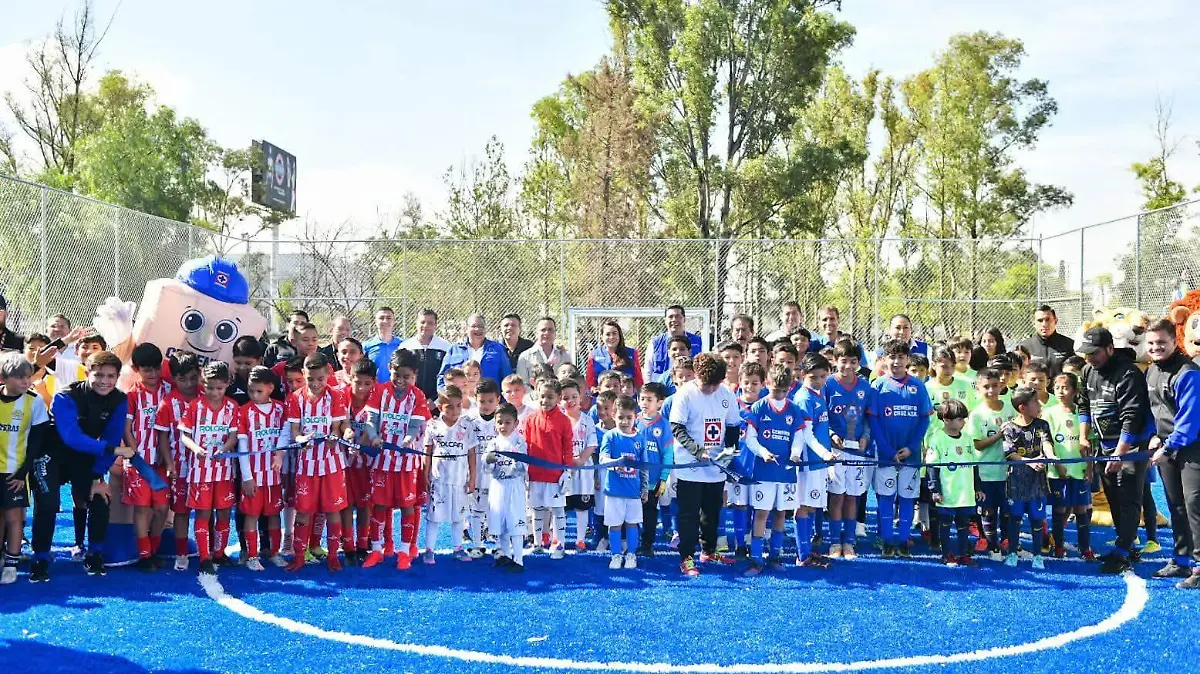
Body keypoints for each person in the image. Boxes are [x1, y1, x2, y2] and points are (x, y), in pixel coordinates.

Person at [45, 351, 135, 576]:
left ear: (117, 377)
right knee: (48, 503)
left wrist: (97, 476)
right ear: (86, 373)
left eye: (111, 376)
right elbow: (71, 437)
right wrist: (110, 450)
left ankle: (94, 553)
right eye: (99, 375)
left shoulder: (119, 399)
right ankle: (40, 556)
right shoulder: (66, 396)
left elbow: (113, 437)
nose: (105, 381)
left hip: (84, 453)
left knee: (99, 497)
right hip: (52, 455)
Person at [1077, 326, 1154, 575]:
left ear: (1110, 349)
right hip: (1104, 445)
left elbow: (1132, 416)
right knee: (1113, 498)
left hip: (1130, 447)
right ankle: (1126, 544)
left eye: (1095, 353)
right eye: (1087, 354)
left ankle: (1122, 551)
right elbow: (1084, 404)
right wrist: (1083, 436)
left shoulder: (1128, 373)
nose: (1090, 358)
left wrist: (1120, 452)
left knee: (1130, 497)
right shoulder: (1088, 371)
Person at [669, 352, 742, 576]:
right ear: (697, 375)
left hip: (716, 467)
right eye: (706, 384)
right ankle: (686, 557)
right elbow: (677, 427)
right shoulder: (685, 394)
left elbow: (732, 426)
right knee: (689, 515)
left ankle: (708, 550)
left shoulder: (727, 395)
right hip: (689, 466)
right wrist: (696, 450)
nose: (710, 389)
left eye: (714, 385)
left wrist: (728, 451)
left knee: (712, 512)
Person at [362, 349, 432, 569]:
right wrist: (373, 437)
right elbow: (371, 419)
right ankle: (376, 550)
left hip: (406, 462)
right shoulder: (379, 392)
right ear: (389, 369)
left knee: (407, 506)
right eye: (396, 374)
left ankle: (404, 551)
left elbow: (415, 425)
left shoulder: (418, 396)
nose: (401, 380)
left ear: (414, 375)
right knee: (379, 505)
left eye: (406, 376)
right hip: (382, 460)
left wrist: (409, 439)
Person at [1145, 318, 1200, 586]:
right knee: (1176, 505)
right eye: (1151, 343)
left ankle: (1199, 567)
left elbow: (1189, 423)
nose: (1156, 348)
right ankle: (1181, 560)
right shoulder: (1151, 372)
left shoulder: (1188, 373)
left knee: (1194, 504)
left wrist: (1167, 447)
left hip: (1192, 449)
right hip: (1168, 447)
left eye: (1161, 342)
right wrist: (1155, 437)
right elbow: (1156, 412)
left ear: (1174, 341)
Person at [284, 353, 349, 573]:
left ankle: (332, 556)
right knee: (303, 511)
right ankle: (300, 556)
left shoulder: (336, 396)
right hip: (307, 465)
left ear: (328, 374)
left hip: (332, 464)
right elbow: (294, 431)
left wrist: (336, 436)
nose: (316, 383)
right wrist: (301, 439)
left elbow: (338, 428)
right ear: (304, 374)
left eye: (320, 378)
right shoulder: (295, 398)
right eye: (311, 378)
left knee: (332, 510)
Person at [868, 339, 932, 559]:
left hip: (910, 455)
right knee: (885, 497)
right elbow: (874, 422)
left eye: (901, 357)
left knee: (907, 497)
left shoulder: (918, 386)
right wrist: (886, 450)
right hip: (886, 454)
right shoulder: (878, 386)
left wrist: (912, 447)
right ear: (885, 360)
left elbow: (924, 420)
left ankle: (903, 541)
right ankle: (887, 540)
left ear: (907, 360)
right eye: (892, 357)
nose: (896, 362)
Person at [742, 364, 802, 574]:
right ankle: (756, 559)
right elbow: (750, 438)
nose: (779, 394)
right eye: (775, 390)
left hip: (786, 473)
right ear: (767, 384)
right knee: (761, 513)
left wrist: (795, 453)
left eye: (783, 391)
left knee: (780, 513)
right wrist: (763, 452)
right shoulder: (759, 407)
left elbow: (798, 436)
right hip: (763, 473)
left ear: (790, 389)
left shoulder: (794, 410)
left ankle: (775, 556)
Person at [180, 361, 239, 575]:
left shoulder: (232, 406)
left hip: (224, 471)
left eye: (219, 388)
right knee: (203, 513)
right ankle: (204, 557)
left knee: (224, 512)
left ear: (227, 385)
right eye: (210, 387)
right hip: (200, 471)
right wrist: (196, 448)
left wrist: (225, 448)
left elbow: (234, 435)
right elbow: (184, 435)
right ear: (203, 384)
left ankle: (219, 553)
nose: (214, 392)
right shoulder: (195, 406)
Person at [0, 352, 49, 583]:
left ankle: (12, 562)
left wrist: (23, 471)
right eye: (20, 377)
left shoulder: (33, 401)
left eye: (28, 377)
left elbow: (38, 441)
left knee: (14, 517)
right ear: (4, 377)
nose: (25, 382)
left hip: (15, 470)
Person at [122, 343, 172, 571]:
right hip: (140, 462)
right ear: (136, 368)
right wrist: (136, 456)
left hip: (162, 462)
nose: (152, 374)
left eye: (155, 368)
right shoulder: (132, 394)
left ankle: (154, 547)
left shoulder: (169, 390)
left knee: (162, 508)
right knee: (142, 508)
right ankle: (144, 555)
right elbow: (126, 427)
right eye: (146, 370)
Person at [823, 339, 873, 559]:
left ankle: (849, 543)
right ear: (835, 361)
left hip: (857, 449)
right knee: (836, 496)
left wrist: (866, 436)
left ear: (859, 362)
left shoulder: (865, 386)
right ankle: (835, 542)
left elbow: (869, 418)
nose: (848, 366)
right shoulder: (827, 385)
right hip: (836, 450)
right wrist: (831, 435)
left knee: (852, 496)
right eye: (843, 361)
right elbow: (822, 417)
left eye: (853, 361)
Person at [155, 351, 202, 572]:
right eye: (182, 379)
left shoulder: (207, 395)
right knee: (181, 512)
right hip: (180, 467)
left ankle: (208, 552)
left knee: (206, 510)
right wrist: (170, 463)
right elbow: (163, 435)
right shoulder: (168, 402)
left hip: (207, 468)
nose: (189, 383)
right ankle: (182, 553)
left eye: (193, 377)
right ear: (173, 378)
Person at [236, 366, 287, 571]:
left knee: (274, 514)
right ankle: (252, 556)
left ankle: (274, 552)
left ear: (270, 388)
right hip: (254, 476)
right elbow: (242, 447)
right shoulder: (244, 412)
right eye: (251, 391)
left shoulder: (281, 409)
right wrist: (247, 477)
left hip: (274, 476)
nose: (254, 395)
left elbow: (286, 435)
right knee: (252, 515)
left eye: (259, 391)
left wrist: (281, 456)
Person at [1000, 387, 1057, 570]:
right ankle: (1012, 553)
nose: (1039, 404)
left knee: (1037, 518)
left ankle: (1038, 555)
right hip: (1016, 481)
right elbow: (1010, 453)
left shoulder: (1042, 425)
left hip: (1037, 482)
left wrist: (1050, 456)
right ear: (1022, 407)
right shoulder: (1009, 428)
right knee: (1015, 517)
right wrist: (1029, 462)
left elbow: (1047, 443)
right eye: (1035, 402)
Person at [793, 353, 840, 567]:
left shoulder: (818, 395)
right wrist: (824, 454)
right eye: (814, 377)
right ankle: (803, 556)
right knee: (803, 505)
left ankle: (808, 551)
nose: (819, 381)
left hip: (819, 461)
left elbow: (820, 429)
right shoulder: (804, 399)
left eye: (823, 376)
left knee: (812, 505)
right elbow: (806, 435)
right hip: (807, 462)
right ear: (803, 375)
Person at [422, 384, 478, 564]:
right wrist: (425, 475)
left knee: (458, 516)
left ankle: (458, 548)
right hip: (439, 481)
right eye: (450, 406)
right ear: (440, 407)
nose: (455, 411)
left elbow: (472, 454)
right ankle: (429, 550)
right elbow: (427, 453)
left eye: (458, 405)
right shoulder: (433, 426)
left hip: (460, 480)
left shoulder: (467, 426)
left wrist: (472, 478)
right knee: (434, 516)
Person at [1045, 372, 1095, 562]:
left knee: (1082, 509)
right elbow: (1046, 442)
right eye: (1057, 387)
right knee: (1059, 510)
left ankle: (1085, 548)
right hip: (1059, 472)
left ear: (1074, 390)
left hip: (1080, 470)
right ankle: (1058, 546)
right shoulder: (1049, 413)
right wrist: (1056, 464)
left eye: (1065, 388)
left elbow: (1090, 443)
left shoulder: (1082, 415)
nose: (1060, 391)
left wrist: (1089, 468)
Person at [524, 378, 574, 560]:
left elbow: (568, 447)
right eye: (542, 396)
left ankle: (559, 543)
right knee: (537, 510)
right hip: (535, 474)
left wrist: (567, 471)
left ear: (559, 398)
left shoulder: (564, 421)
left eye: (550, 397)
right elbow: (526, 446)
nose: (545, 400)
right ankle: (537, 543)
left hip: (555, 475)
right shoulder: (530, 419)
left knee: (557, 510)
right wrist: (525, 471)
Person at [968, 368, 1016, 559]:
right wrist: (999, 436)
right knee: (987, 509)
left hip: (1008, 471)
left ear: (1001, 386)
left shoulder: (1010, 409)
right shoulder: (977, 414)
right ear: (978, 389)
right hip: (986, 471)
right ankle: (990, 542)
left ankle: (1006, 540)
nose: (991, 390)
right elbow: (977, 445)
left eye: (995, 386)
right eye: (986, 387)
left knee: (1007, 508)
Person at [925, 399, 977, 567]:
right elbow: (932, 467)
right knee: (946, 523)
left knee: (964, 524)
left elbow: (974, 466)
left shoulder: (968, 439)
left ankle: (963, 554)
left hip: (965, 492)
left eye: (964, 418)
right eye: (960, 419)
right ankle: (946, 554)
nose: (963, 422)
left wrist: (978, 487)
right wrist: (935, 490)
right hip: (947, 491)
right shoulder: (937, 439)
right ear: (946, 420)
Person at [599, 395, 649, 570]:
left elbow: (644, 467)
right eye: (621, 417)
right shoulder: (610, 437)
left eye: (629, 417)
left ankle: (631, 555)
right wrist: (614, 465)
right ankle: (615, 555)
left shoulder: (640, 439)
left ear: (636, 417)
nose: (625, 421)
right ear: (614, 415)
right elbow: (603, 458)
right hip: (613, 491)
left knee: (632, 523)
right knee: (615, 525)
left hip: (633, 492)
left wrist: (644, 488)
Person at [341, 359, 380, 565]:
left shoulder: (377, 399)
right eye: (358, 382)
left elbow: (371, 426)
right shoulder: (341, 396)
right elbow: (339, 422)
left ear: (373, 382)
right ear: (351, 379)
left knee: (365, 504)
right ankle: (347, 545)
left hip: (366, 461)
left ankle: (362, 544)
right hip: (344, 459)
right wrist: (347, 440)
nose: (362, 388)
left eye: (367, 383)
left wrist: (360, 446)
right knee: (346, 504)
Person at [482, 403, 528, 572]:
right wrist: (489, 461)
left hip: (514, 486)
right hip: (498, 486)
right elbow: (486, 468)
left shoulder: (519, 442)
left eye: (508, 422)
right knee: (499, 523)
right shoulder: (493, 443)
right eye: (500, 422)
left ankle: (519, 559)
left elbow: (524, 467)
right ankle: (506, 556)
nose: (503, 426)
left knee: (515, 522)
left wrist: (517, 462)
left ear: (516, 423)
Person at [464, 378, 502, 557]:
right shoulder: (468, 419)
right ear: (475, 398)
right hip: (476, 473)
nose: (486, 405)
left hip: (498, 476)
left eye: (490, 401)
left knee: (498, 510)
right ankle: (477, 544)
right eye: (482, 401)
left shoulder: (504, 419)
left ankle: (500, 544)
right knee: (477, 511)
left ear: (498, 399)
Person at [635, 381, 672, 556]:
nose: (644, 402)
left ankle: (647, 545)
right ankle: (631, 543)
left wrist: (663, 478)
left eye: (649, 399)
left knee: (649, 514)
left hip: (653, 481)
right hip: (633, 479)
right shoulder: (634, 421)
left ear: (659, 402)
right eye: (642, 398)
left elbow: (667, 454)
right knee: (632, 513)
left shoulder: (664, 425)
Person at [561, 379, 598, 551]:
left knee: (582, 507)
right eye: (565, 397)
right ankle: (558, 539)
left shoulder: (587, 420)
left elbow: (591, 443)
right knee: (560, 507)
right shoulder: (558, 420)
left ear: (581, 397)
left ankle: (580, 539)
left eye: (574, 396)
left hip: (583, 471)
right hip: (562, 471)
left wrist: (581, 460)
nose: (570, 401)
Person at [439, 314, 513, 390]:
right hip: (460, 399)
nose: (478, 329)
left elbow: (508, 377)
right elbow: (442, 376)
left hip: (489, 399)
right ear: (466, 329)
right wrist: (446, 396)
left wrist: (502, 400)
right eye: (474, 326)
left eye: (481, 326)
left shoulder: (498, 349)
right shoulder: (454, 349)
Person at [399, 308, 452, 400]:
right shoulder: (405, 346)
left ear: (436, 325)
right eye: (422, 322)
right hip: (410, 400)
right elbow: (400, 375)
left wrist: (436, 401)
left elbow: (449, 377)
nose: (426, 325)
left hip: (437, 403)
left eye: (430, 323)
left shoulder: (445, 347)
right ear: (416, 323)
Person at [645, 306, 704, 382]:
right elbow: (648, 371)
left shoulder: (698, 341)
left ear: (684, 319)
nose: (674, 320)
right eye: (670, 317)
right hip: (661, 390)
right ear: (665, 320)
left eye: (678, 316)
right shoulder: (655, 343)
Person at [1018, 305, 1076, 379]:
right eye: (1040, 320)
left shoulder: (1069, 345)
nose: (1044, 324)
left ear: (1055, 321)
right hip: (1032, 390)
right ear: (1034, 323)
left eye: (1048, 320)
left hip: (1060, 390)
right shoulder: (1025, 347)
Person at [585, 320, 642, 392]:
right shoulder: (594, 354)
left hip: (625, 399)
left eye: (614, 333)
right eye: (608, 334)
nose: (611, 337)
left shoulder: (632, 353)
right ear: (602, 337)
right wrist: (595, 391)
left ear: (619, 335)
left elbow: (638, 380)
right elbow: (589, 382)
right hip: (603, 398)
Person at [517, 317, 573, 385]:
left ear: (555, 333)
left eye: (550, 330)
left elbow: (571, 381)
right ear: (537, 333)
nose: (547, 333)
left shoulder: (565, 356)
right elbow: (523, 384)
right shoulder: (525, 357)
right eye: (543, 330)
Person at [364, 307, 403, 384]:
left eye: (389, 318)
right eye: (381, 318)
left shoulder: (403, 345)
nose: (385, 321)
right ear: (375, 321)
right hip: (375, 390)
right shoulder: (366, 346)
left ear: (394, 321)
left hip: (397, 390)